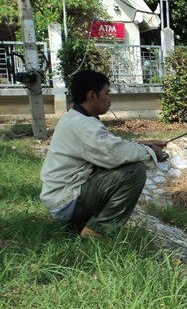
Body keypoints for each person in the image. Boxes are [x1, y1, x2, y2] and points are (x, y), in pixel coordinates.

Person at [40, 70, 166, 238]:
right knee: (133, 171)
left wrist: (143, 145)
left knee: (124, 165)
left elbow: (110, 146)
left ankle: (83, 224)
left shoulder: (75, 117)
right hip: (66, 202)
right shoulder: (83, 125)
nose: (110, 99)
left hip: (61, 199)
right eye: (107, 93)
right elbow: (114, 153)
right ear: (92, 95)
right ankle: (98, 232)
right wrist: (150, 152)